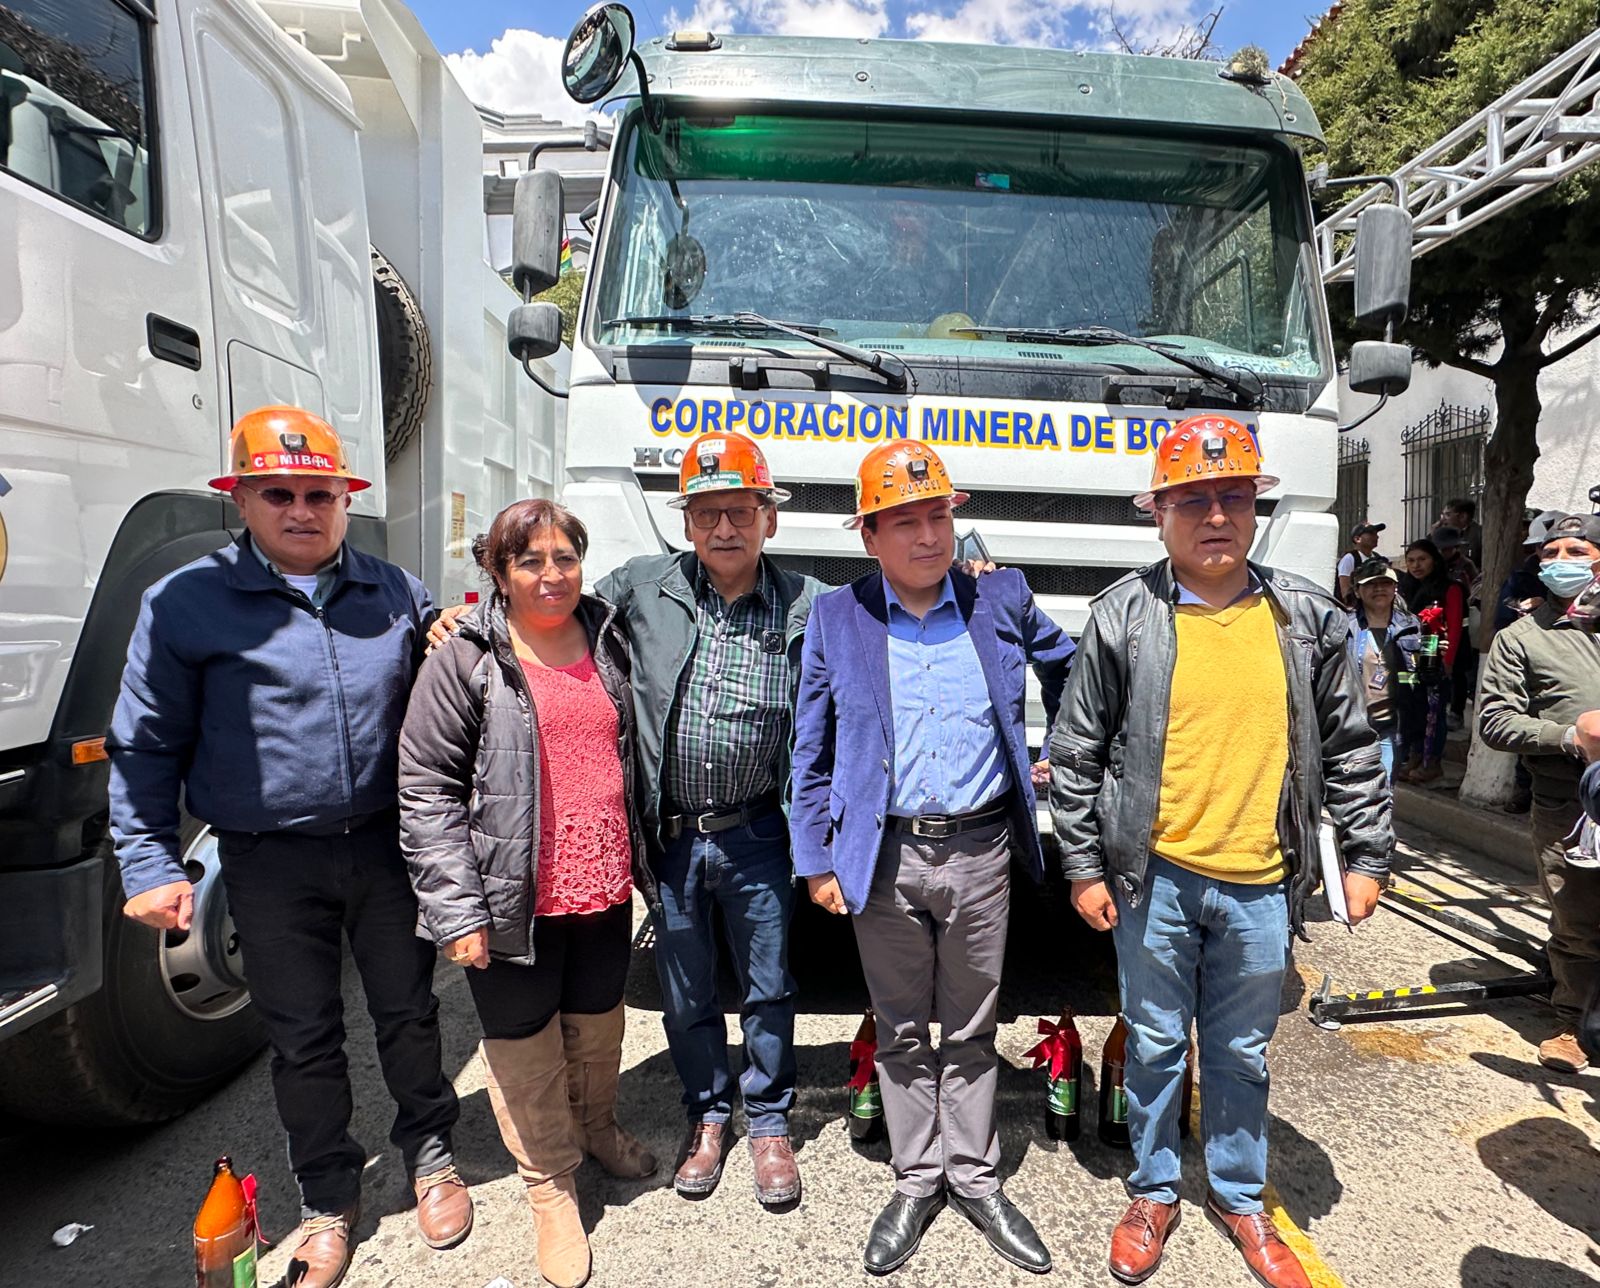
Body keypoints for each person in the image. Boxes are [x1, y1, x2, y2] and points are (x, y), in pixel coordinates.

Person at [107, 407, 469, 1288]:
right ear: (241, 499)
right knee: (303, 1038)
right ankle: (327, 1197)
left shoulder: (391, 590)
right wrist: (150, 862)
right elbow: (144, 742)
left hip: (385, 849)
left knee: (409, 1013)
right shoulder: (186, 602)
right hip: (268, 863)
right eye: (279, 494)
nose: (302, 510)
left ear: (346, 501)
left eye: (320, 494)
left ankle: (430, 1157)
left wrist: (450, 630)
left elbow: (444, 673)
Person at [1048, 415, 1391, 1288]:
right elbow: (1077, 753)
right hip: (1153, 880)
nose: (1214, 517)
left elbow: (1351, 747)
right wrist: (1084, 867)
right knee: (1157, 1043)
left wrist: (1365, 855)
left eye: (1232, 498)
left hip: (1261, 885)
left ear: (1254, 510)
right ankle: (1153, 1188)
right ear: (1157, 513)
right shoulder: (1122, 618)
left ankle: (1239, 1197)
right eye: (1192, 500)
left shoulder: (1307, 620)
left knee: (1241, 1053)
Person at [791, 440, 1075, 1277]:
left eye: (939, 516)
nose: (926, 537)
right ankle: (918, 1178)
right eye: (905, 522)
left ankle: (976, 1177)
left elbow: (1069, 667)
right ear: (869, 537)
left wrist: (1055, 746)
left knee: (976, 1022)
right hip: (882, 859)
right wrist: (817, 861)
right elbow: (809, 752)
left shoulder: (1001, 596)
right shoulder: (837, 618)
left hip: (982, 849)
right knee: (903, 1028)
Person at [398, 500, 653, 1288]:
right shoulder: (467, 656)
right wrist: (456, 911)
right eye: (529, 561)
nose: (552, 576)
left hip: (603, 884)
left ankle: (599, 1128)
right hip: (512, 896)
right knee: (523, 1043)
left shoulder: (610, 635)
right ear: (498, 574)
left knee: (598, 1021)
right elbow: (425, 785)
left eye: (564, 558)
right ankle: (551, 1188)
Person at [594, 432, 822, 1207]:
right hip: (673, 838)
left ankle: (767, 1121)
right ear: (684, 522)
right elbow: (549, 605)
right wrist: (465, 619)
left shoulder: (808, 603)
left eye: (740, 511)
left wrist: (972, 577)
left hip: (758, 833)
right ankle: (707, 1116)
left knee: (768, 986)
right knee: (687, 993)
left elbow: (890, 614)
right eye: (706, 513)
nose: (724, 528)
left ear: (769, 519)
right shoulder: (642, 586)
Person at [1478, 512, 1600, 1074]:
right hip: (1570, 802)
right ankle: (1573, 1019)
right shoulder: (1521, 637)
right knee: (1577, 915)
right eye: (1550, 554)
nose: (1559, 563)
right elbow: (1496, 723)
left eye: (1575, 550)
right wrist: (1569, 736)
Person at [1346, 556, 1422, 781]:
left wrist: (1431, 666)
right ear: (1358, 591)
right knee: (1355, 790)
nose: (1379, 589)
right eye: (1370, 584)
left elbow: (1416, 676)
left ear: (1395, 588)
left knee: (1386, 789)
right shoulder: (1344, 626)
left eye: (1385, 583)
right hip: (1354, 725)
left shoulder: (1410, 625)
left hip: (1391, 725)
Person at [1397, 538, 1464, 785]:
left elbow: (1455, 628)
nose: (1416, 565)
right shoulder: (1406, 589)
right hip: (1408, 656)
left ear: (1434, 560)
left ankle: (1431, 762)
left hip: (1434, 653)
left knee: (1434, 712)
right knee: (1412, 709)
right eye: (1411, 561)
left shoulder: (1450, 589)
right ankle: (1415, 756)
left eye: (1422, 559)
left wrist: (1447, 661)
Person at [1336, 522, 1385, 604]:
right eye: (1371, 533)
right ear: (1357, 539)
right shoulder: (1350, 558)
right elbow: (1345, 589)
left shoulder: (1377, 558)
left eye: (1376, 534)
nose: (1376, 537)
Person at [1436, 497, 1484, 568]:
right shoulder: (1443, 533)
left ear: (1462, 516)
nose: (1442, 520)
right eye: (1442, 515)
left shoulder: (1479, 534)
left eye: (1448, 515)